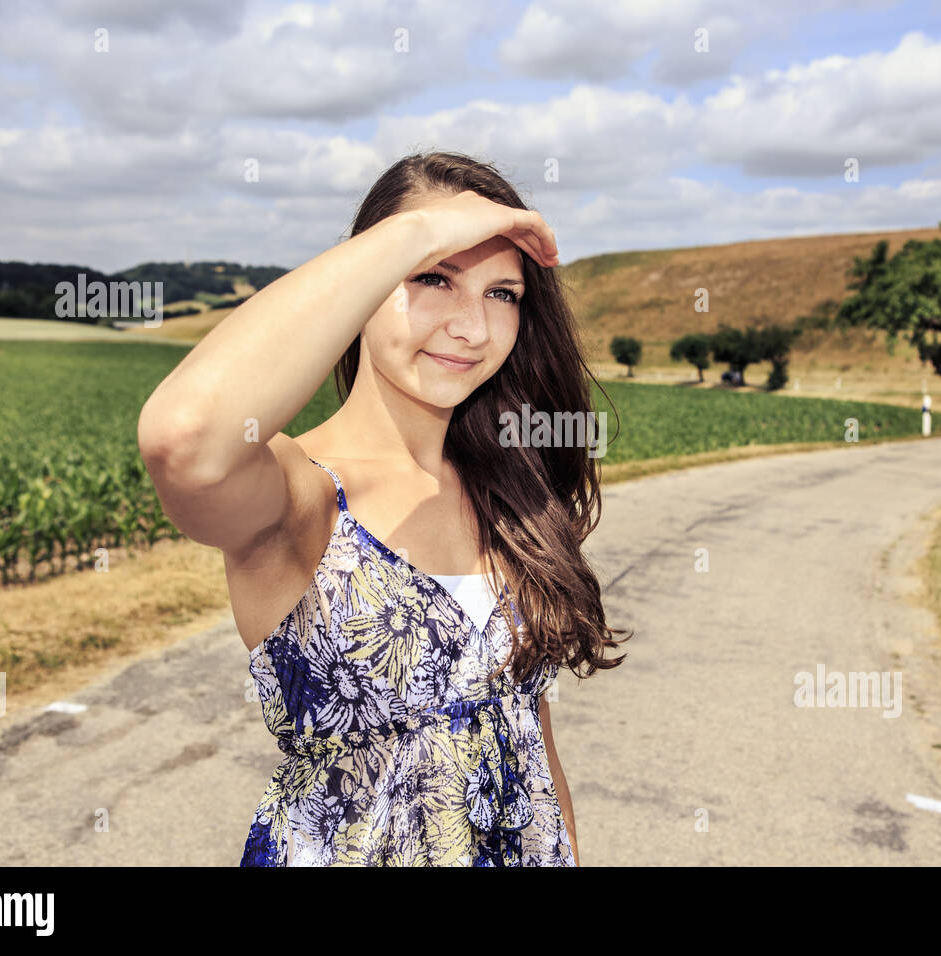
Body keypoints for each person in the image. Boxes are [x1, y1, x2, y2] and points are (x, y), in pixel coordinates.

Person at [137, 150, 629, 866]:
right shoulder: (300, 494)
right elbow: (184, 439)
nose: (473, 328)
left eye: (503, 294)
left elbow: (529, 732)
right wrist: (410, 234)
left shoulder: (512, 490)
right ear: (361, 281)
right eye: (434, 278)